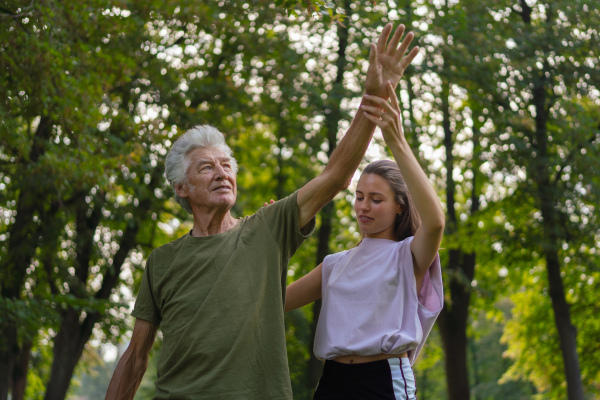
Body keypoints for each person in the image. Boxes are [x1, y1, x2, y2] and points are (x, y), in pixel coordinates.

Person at [104, 23, 419, 400]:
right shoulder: (161, 262)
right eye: (207, 167)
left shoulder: (268, 229)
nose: (222, 173)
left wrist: (372, 97)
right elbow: (136, 357)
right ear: (182, 188)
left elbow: (335, 176)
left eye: (227, 165)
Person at [284, 82, 445, 400]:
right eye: (359, 197)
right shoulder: (335, 265)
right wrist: (271, 237)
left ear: (400, 204)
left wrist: (396, 140)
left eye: (375, 199)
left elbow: (436, 223)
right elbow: (277, 301)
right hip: (332, 380)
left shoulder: (407, 256)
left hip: (383, 380)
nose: (363, 206)